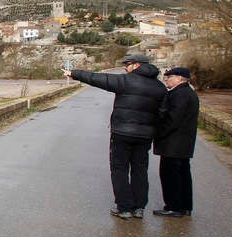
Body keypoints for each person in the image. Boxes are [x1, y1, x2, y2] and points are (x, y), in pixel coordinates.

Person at [62, 53, 166, 220]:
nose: (125, 67)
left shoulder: (126, 81)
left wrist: (74, 74)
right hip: (145, 136)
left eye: (128, 64)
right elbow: (163, 113)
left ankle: (124, 207)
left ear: (137, 65)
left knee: (120, 169)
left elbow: (98, 79)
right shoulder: (160, 87)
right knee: (140, 170)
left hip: (122, 133)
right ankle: (139, 208)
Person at [152, 67, 200, 217]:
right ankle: (185, 206)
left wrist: (157, 133)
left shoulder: (179, 94)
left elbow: (172, 120)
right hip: (183, 143)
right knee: (183, 175)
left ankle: (173, 207)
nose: (166, 79)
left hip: (173, 143)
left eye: (169, 77)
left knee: (170, 175)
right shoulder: (188, 93)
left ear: (180, 78)